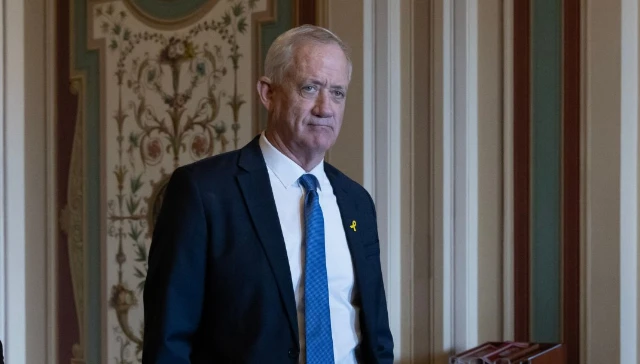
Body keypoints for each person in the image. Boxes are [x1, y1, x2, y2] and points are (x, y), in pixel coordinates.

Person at [142, 25, 393, 364]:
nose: (325, 108)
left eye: (337, 93)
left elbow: (375, 335)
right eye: (310, 88)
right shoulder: (203, 192)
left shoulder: (357, 202)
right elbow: (168, 342)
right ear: (267, 93)